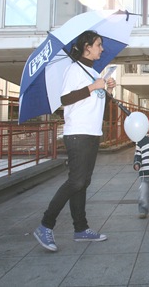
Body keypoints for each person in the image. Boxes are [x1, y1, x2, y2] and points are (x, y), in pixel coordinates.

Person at [34, 30, 113, 252]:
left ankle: (81, 228)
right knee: (76, 181)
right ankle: (45, 225)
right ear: (87, 47)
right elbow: (65, 99)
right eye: (98, 44)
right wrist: (93, 87)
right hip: (78, 133)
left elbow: (96, 103)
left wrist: (107, 90)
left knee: (83, 182)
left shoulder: (92, 72)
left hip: (92, 132)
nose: (102, 49)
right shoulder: (74, 69)